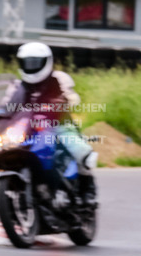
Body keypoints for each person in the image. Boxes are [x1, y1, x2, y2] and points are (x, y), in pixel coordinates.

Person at [6, 42, 97, 202]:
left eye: (35, 62)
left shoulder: (58, 79)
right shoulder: (19, 86)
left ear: (46, 62)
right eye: (27, 63)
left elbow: (71, 96)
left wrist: (66, 101)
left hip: (59, 124)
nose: (31, 66)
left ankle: (87, 187)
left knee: (80, 151)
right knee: (6, 146)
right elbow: (8, 105)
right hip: (29, 128)